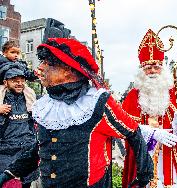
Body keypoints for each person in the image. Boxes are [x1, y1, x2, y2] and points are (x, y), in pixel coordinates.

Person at [0, 38, 153, 188]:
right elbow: (39, 148)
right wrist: (9, 173)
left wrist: (143, 175)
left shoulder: (96, 102)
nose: (40, 68)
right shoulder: (45, 105)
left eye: (48, 63)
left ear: (67, 70)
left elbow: (133, 132)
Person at [122, 29, 177, 188]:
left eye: (156, 66)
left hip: (170, 157)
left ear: (162, 67)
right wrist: (153, 134)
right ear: (142, 70)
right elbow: (125, 127)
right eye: (148, 67)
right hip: (144, 156)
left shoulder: (175, 93)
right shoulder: (133, 96)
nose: (152, 71)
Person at [0, 63, 37, 188]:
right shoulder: (1, 100)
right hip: (6, 153)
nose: (19, 83)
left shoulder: (30, 99)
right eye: (15, 81)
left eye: (22, 80)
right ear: (5, 83)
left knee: (26, 184)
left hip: (27, 151)